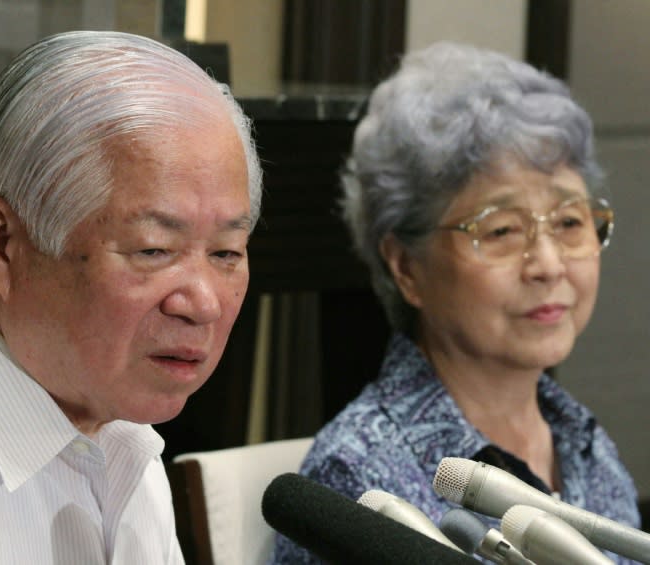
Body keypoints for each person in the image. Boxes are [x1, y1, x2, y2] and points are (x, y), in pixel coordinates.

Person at [0, 30, 262, 564]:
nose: (203, 303)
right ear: (1, 245)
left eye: (226, 253)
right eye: (154, 249)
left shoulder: (119, 428)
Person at [270, 41, 640, 563]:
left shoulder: (584, 443)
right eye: (502, 229)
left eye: (570, 222)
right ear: (407, 267)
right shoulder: (359, 477)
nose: (549, 265)